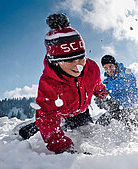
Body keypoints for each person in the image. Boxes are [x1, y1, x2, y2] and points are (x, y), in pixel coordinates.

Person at [18, 14, 107, 154]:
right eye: (70, 61)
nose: (78, 66)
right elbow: (47, 116)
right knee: (50, 125)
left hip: (81, 112)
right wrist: (63, 147)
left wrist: (102, 94)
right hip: (60, 114)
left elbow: (96, 84)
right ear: (56, 62)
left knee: (87, 131)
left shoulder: (92, 68)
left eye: (81, 58)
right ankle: (34, 127)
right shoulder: (49, 83)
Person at [95, 55, 138, 130]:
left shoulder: (125, 73)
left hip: (134, 108)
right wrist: (101, 99)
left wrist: (115, 103)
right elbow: (104, 93)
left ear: (115, 65)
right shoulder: (107, 81)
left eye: (111, 66)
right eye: (106, 68)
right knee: (100, 123)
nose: (109, 70)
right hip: (119, 110)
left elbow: (129, 91)